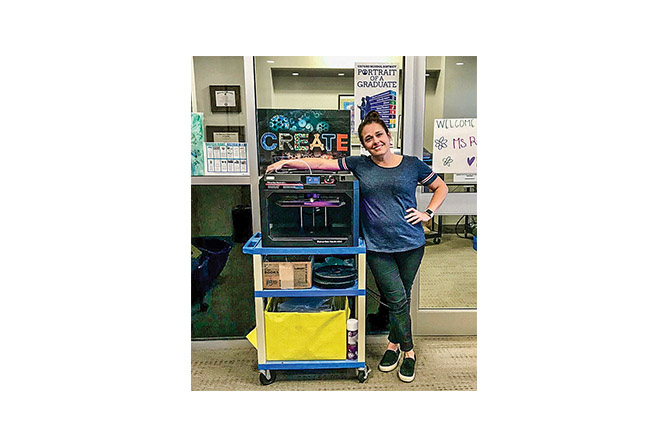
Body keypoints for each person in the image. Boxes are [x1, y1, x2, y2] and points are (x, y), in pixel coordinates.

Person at [266, 111, 448, 383]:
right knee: (397, 299)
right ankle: (409, 352)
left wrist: (428, 213)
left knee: (402, 297)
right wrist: (287, 162)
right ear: (364, 145)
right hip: (377, 247)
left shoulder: (412, 165)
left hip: (411, 244)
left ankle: (393, 345)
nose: (375, 141)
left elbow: (440, 187)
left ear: (388, 136)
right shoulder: (360, 164)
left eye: (379, 135)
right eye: (368, 139)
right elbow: (322, 163)